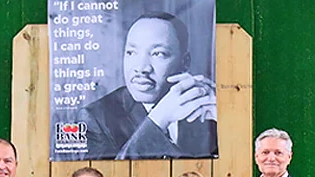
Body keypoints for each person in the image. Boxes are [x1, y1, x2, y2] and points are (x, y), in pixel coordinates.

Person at [77, 12, 217, 160]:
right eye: (131, 52)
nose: (141, 68)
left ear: (185, 62)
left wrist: (227, 121)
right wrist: (158, 119)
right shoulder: (94, 118)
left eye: (158, 54)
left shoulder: (202, 104)